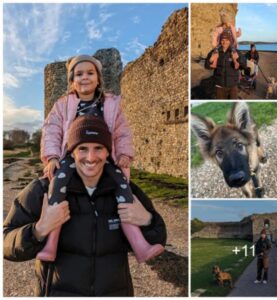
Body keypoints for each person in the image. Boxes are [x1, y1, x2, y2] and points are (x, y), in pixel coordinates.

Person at [3, 116, 167, 296]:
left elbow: (158, 239)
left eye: (98, 148)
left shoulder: (128, 192)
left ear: (108, 153)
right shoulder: (41, 190)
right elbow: (6, 244)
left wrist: (147, 220)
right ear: (72, 152)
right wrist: (39, 230)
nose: (91, 157)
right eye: (82, 148)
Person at [38, 54, 164, 262]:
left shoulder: (111, 103)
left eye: (90, 73)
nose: (84, 77)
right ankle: (51, 244)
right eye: (79, 74)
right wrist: (52, 157)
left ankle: (139, 244)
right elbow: (52, 130)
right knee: (57, 185)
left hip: (104, 155)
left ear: (98, 78)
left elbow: (122, 132)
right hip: (72, 155)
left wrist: (124, 154)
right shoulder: (63, 104)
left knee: (123, 187)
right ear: (72, 81)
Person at [205, 31, 246, 99]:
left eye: (227, 40)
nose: (224, 42)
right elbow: (206, 66)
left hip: (233, 86)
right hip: (219, 86)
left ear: (230, 41)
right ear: (220, 41)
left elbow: (244, 65)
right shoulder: (214, 52)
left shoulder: (236, 51)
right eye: (222, 40)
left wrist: (238, 58)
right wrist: (210, 60)